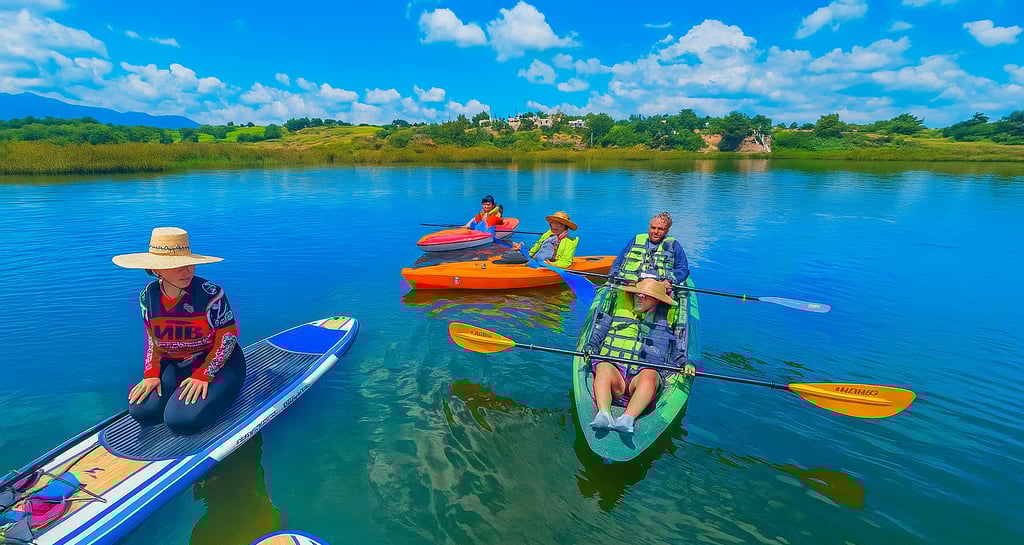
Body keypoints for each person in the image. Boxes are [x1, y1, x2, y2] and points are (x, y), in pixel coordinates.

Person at [112, 227, 246, 436]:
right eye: (176, 266)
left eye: (189, 263)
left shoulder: (211, 294)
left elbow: (227, 338)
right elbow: (153, 338)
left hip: (219, 364)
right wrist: (151, 374)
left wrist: (204, 375)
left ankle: (225, 396)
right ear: (157, 270)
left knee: (180, 421)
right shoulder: (148, 296)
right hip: (177, 362)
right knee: (141, 410)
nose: (187, 271)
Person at [583, 279, 695, 434]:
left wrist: (686, 363)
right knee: (603, 366)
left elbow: (677, 352)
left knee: (649, 375)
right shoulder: (616, 314)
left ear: (656, 300)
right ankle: (604, 414)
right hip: (617, 378)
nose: (639, 296)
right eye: (637, 293)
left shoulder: (666, 326)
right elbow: (597, 335)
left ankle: (627, 419)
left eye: (645, 295)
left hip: (640, 383)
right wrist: (590, 347)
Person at [608, 212, 689, 290]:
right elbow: (619, 262)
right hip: (630, 284)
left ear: (667, 231)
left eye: (660, 229)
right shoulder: (636, 240)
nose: (655, 232)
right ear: (649, 227)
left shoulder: (674, 245)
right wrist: (614, 274)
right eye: (653, 228)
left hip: (657, 288)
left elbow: (682, 268)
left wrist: (671, 281)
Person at [497, 211, 579, 267]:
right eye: (553, 223)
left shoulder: (569, 242)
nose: (554, 226)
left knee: (505, 260)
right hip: (533, 259)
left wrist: (552, 264)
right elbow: (536, 247)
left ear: (565, 226)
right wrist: (521, 249)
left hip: (545, 264)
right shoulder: (548, 234)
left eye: (558, 224)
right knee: (505, 256)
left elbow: (566, 262)